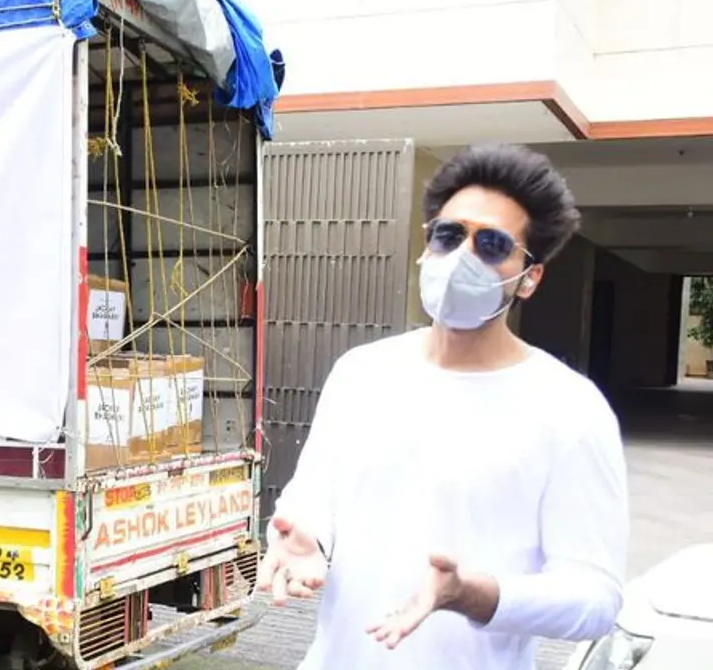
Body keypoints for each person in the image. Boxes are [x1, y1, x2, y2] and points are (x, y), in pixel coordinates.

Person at [257, 143, 628, 669]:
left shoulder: (569, 409)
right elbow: (313, 495)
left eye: (492, 244)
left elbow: (596, 598)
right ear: (426, 246)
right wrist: (305, 534)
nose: (462, 258)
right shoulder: (362, 372)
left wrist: (471, 593)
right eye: (449, 235)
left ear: (530, 277)